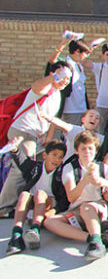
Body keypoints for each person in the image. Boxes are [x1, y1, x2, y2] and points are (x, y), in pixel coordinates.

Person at [0, 62, 72, 215]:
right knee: (21, 168)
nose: (65, 81)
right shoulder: (46, 87)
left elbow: (48, 117)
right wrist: (53, 77)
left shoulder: (57, 95)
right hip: (23, 131)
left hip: (36, 136)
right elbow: (36, 85)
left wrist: (45, 135)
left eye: (68, 79)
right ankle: (4, 208)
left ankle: (31, 203)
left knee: (38, 168)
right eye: (63, 77)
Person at [44, 131, 108, 260]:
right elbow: (72, 197)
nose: (87, 152)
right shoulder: (70, 168)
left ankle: (96, 245)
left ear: (96, 151)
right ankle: (94, 238)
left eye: (90, 148)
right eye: (83, 149)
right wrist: (84, 181)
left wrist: (104, 183)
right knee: (50, 222)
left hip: (97, 206)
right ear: (76, 151)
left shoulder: (103, 168)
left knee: (87, 207)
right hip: (76, 209)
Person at [5, 140, 67, 255]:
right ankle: (16, 234)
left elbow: (64, 200)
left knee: (40, 194)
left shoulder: (61, 174)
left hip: (48, 203)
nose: (57, 159)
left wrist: (54, 211)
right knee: (24, 194)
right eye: (54, 155)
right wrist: (15, 149)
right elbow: (22, 161)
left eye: (60, 157)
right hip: (33, 203)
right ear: (45, 155)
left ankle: (35, 229)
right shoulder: (36, 168)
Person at [48, 38, 92, 125]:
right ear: (77, 51)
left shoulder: (78, 65)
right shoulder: (65, 63)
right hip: (70, 110)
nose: (86, 56)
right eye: (85, 53)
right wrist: (62, 45)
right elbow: (51, 61)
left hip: (81, 109)